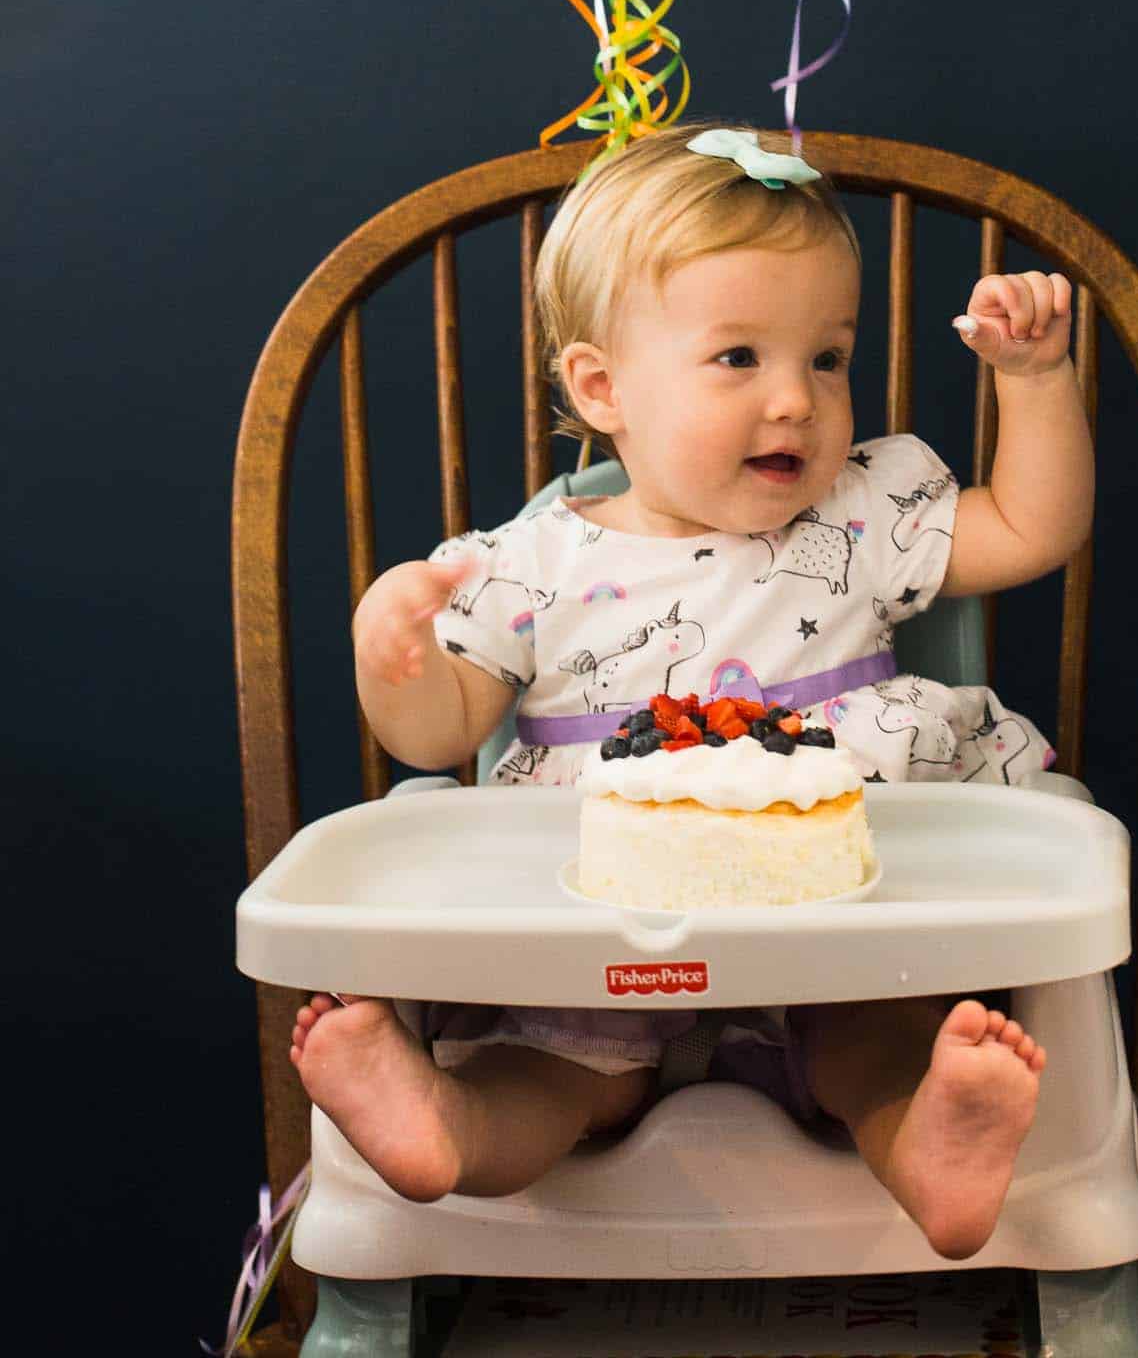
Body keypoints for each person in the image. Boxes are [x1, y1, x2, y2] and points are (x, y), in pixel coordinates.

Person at [290, 123, 1094, 1261]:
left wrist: (1036, 378)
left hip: (835, 918)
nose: (797, 402)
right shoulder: (532, 566)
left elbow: (1031, 528)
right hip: (609, 938)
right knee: (555, 1071)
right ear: (602, 385)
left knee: (879, 1038)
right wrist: (397, 659)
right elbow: (443, 736)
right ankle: (442, 1129)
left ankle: (934, 1146)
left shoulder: (860, 515)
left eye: (825, 357)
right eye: (739, 359)